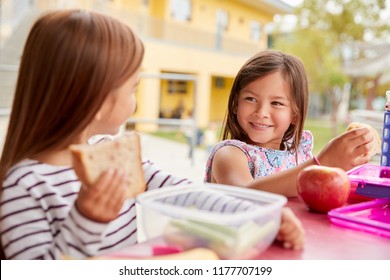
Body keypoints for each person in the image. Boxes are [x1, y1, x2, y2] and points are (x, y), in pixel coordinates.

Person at [0, 11, 305, 259]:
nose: (135, 98)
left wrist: (262, 217)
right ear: (96, 100)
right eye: (133, 88)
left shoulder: (115, 157)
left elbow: (188, 194)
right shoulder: (25, 186)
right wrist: (86, 220)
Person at [204, 50, 374, 248]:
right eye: (250, 99)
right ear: (235, 104)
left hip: (286, 246)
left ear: (294, 114)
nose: (261, 112)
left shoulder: (298, 155)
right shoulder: (230, 154)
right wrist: (322, 164)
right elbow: (245, 195)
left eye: (276, 103)